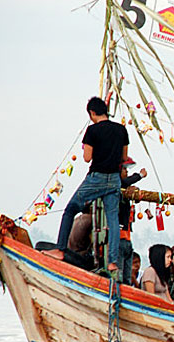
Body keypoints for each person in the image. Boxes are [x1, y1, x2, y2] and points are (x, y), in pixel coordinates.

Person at [44, 97, 129, 274]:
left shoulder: (92, 131)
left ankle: (60, 249)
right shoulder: (121, 130)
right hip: (114, 179)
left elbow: (87, 158)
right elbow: (123, 157)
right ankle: (113, 262)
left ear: (91, 113)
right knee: (113, 220)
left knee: (70, 210)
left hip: (96, 177)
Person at [118, 157, 147, 285]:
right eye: (124, 169)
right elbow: (123, 183)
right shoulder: (115, 187)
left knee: (126, 278)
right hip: (118, 239)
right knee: (118, 276)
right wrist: (139, 175)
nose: (127, 172)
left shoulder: (125, 192)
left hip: (127, 239)